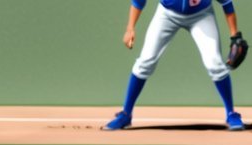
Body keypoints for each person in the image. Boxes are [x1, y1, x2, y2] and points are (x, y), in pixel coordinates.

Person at [102, 0, 244, 131]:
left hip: (201, 15)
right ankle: (126, 114)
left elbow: (227, 3)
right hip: (167, 14)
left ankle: (231, 113)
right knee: (145, 61)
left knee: (215, 64)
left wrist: (234, 35)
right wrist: (130, 27)